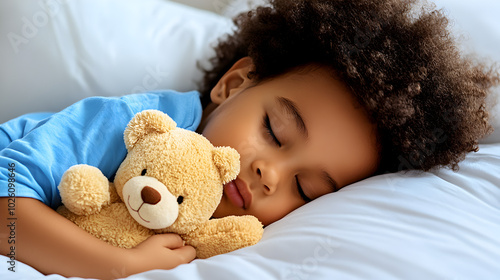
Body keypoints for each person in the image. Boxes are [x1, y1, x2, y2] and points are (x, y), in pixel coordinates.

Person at [0, 0, 498, 279]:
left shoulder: (229, 236)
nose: (270, 174)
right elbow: (5, 211)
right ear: (234, 84)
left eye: (306, 191)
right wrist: (119, 266)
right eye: (274, 131)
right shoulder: (141, 125)